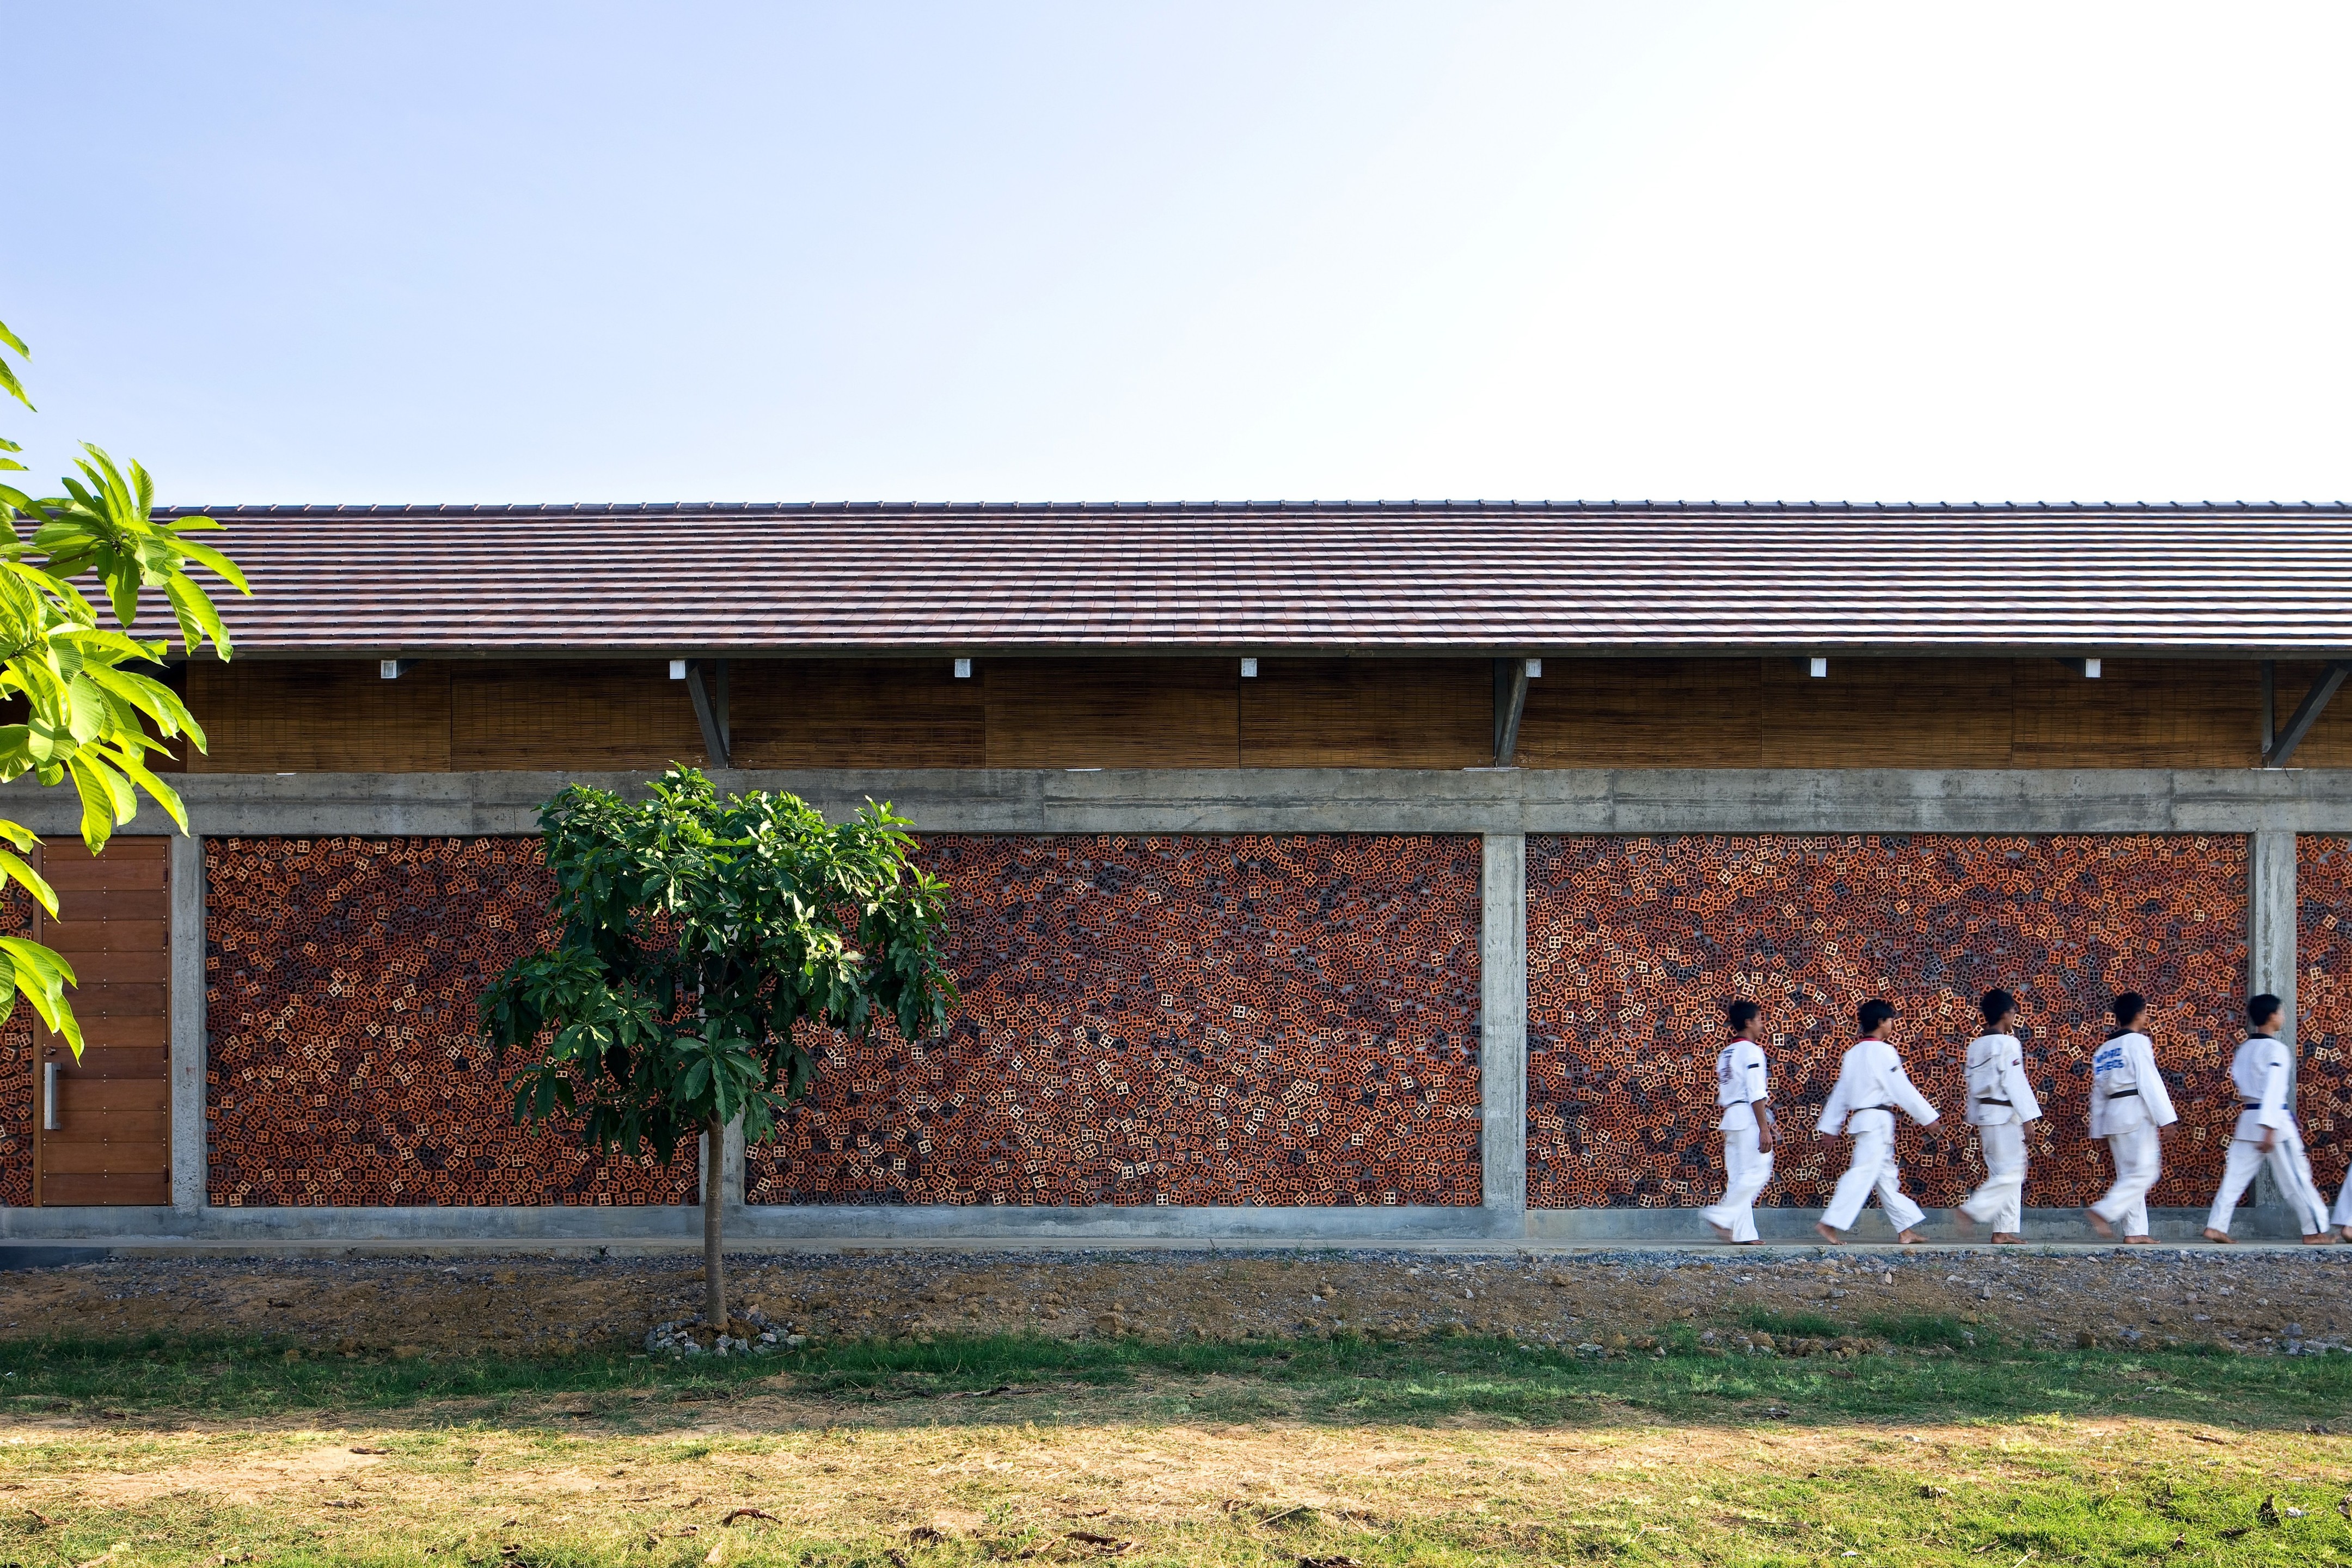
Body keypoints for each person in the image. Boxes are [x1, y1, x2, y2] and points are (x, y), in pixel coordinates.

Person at [2204, 994, 2337, 1245]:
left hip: (2249, 1118)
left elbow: (2242, 1085)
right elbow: (2274, 1088)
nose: (2283, 1016)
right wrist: (2269, 1127)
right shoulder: (2276, 1049)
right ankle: (2315, 1230)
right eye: (2281, 1011)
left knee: (2234, 1179)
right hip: (2273, 1121)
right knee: (2296, 1177)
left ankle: (2216, 1226)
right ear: (2271, 1016)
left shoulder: (2244, 1049)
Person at [1815, 999, 1940, 1245]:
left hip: (1866, 1120)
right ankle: (1829, 1223)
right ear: (1882, 1022)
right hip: (1875, 1121)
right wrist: (1928, 1117)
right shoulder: (1884, 1052)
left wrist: (1831, 1127)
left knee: (1886, 1178)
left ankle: (1905, 1230)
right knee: (1862, 1173)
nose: (1893, 1024)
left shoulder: (1852, 1054)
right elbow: (1901, 1088)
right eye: (1891, 1020)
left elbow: (1841, 1094)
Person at [2084, 991, 2176, 1243]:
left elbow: (2098, 1093)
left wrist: (2098, 1130)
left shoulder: (2103, 1050)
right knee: (2147, 1172)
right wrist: (2166, 1118)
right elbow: (2150, 1081)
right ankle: (2105, 1211)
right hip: (2135, 1111)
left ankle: (2135, 1232)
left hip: (2113, 1114)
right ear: (2138, 1014)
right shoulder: (2137, 1042)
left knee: (2129, 1175)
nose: (2146, 1016)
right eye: (2145, 1012)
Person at [1956, 988, 2041, 1244]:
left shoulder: (1976, 1046)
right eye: (2014, 1011)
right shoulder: (2008, 1043)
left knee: (2001, 1173)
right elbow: (2015, 1082)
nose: (2015, 1016)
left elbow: (1970, 1084)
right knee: (2014, 1172)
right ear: (2006, 1014)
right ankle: (1973, 1210)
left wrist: (1974, 1116)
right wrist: (2028, 1118)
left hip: (1985, 1115)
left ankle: (2002, 1232)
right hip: (2004, 1116)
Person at [1700, 999, 1774, 1244]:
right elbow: (1756, 1092)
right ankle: (1720, 1215)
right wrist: (1764, 1129)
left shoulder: (1726, 1053)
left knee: (1739, 1177)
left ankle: (1743, 1233)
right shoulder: (1751, 1051)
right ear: (1748, 1022)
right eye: (1759, 1019)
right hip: (1747, 1119)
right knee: (1758, 1172)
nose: (1762, 1025)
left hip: (1731, 1117)